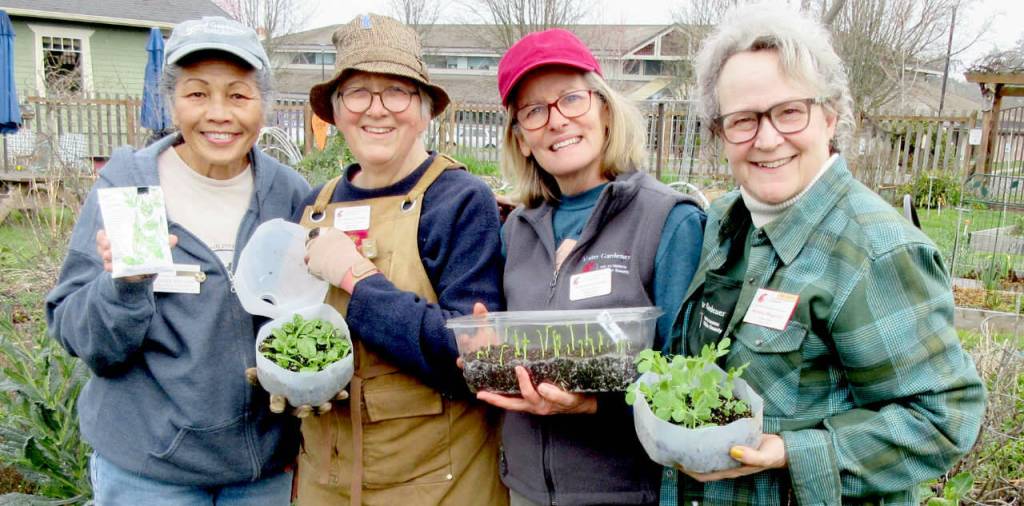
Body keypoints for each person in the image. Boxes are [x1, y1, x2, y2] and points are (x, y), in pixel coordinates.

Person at [664, 3, 986, 504]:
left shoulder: (876, 251)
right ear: (719, 134)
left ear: (830, 116)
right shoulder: (726, 223)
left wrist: (793, 451)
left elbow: (944, 420)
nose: (768, 138)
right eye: (743, 120)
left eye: (790, 111)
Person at [45, 16, 310, 505]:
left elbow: (306, 320)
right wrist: (123, 286)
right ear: (170, 102)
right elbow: (81, 337)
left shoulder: (287, 194)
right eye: (196, 94)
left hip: (262, 469)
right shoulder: (132, 186)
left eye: (238, 95)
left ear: (264, 105)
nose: (218, 113)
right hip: (150, 469)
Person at [476, 29, 707, 506]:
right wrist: (484, 355)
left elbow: (691, 382)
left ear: (604, 109)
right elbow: (505, 340)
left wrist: (592, 405)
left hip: (622, 491)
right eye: (534, 111)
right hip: (524, 491)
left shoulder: (668, 220)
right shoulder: (516, 230)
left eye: (571, 99)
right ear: (520, 139)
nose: (556, 121)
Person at [290, 14, 508, 505]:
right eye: (357, 92)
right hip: (329, 480)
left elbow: (471, 360)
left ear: (425, 109)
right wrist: (285, 377)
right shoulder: (312, 206)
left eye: (396, 91)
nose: (377, 110)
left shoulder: (459, 200)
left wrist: (358, 280)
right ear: (337, 110)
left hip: (438, 484)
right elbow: (289, 325)